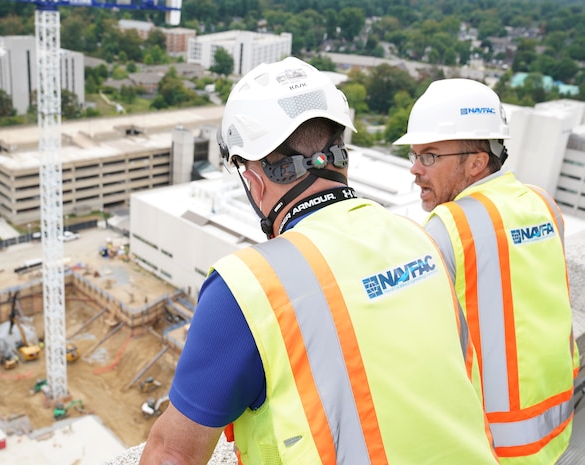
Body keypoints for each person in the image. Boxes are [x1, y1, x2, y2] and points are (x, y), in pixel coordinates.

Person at [139, 57, 499, 465]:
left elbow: (172, 454)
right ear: (341, 155)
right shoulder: (421, 240)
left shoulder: (248, 287)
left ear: (254, 180)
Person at [394, 78, 579, 465]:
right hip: (557, 431)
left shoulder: (451, 225)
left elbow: (418, 347)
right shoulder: (543, 203)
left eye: (429, 156)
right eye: (414, 155)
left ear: (477, 162)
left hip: (495, 448)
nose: (414, 169)